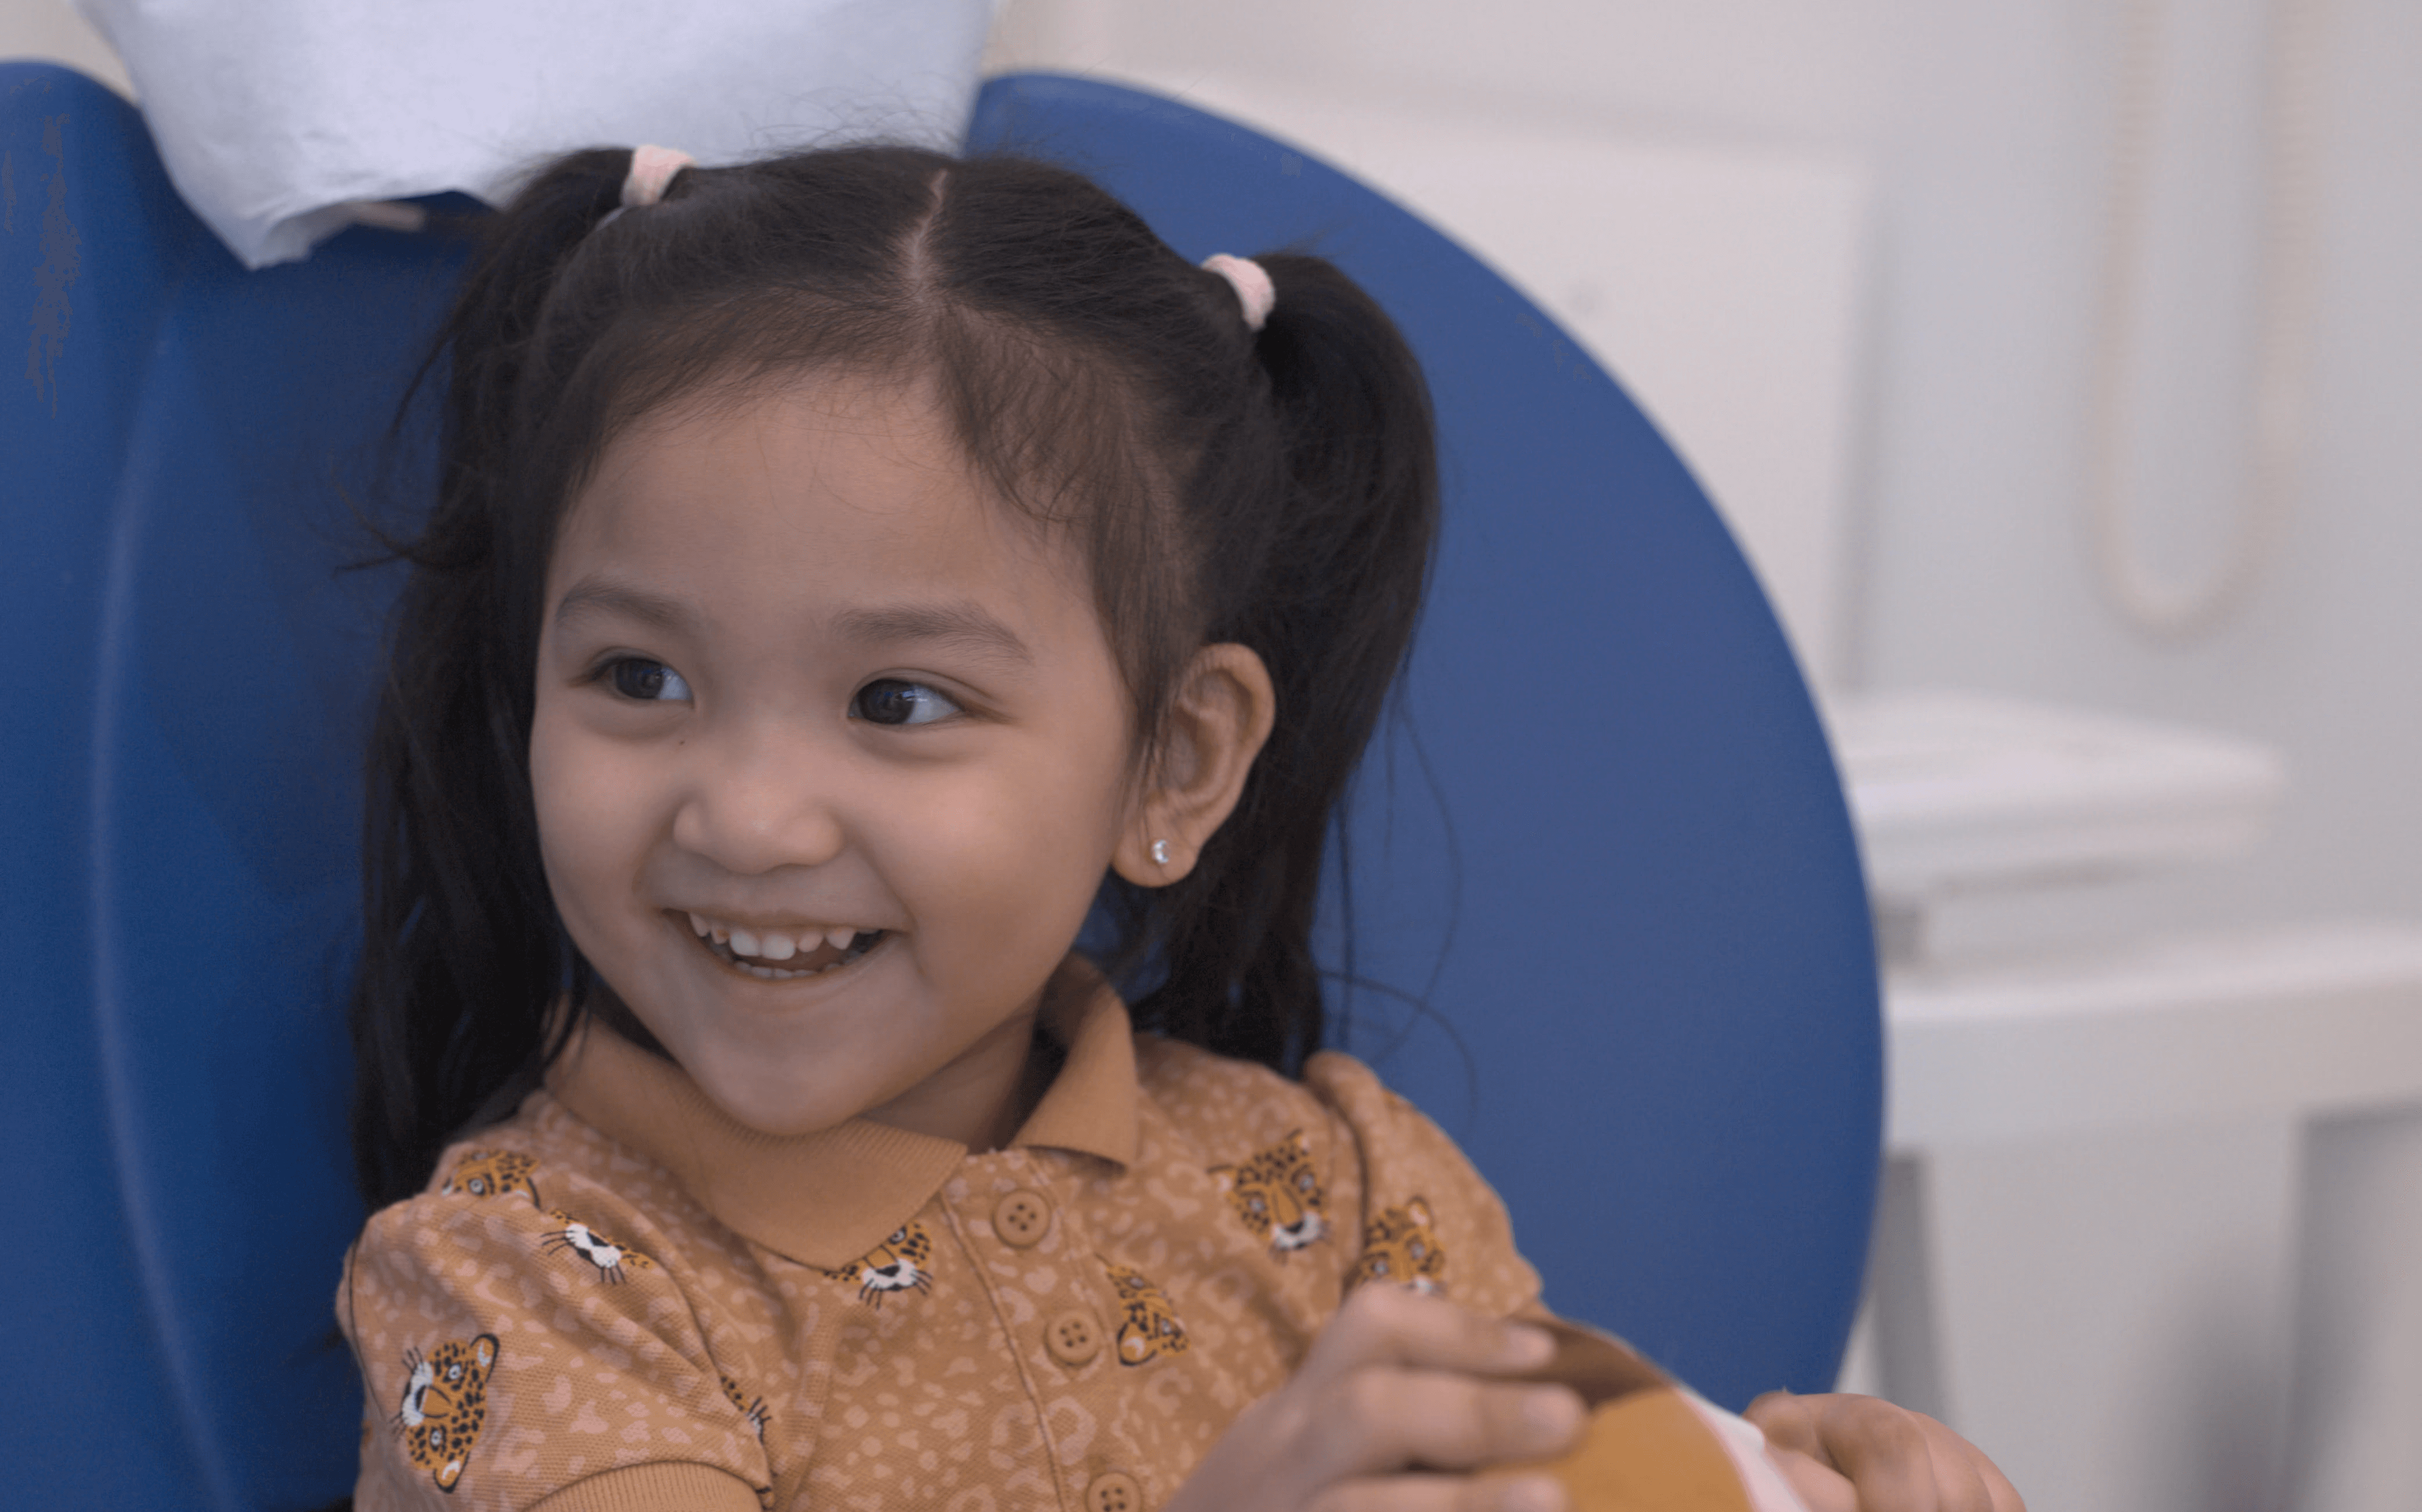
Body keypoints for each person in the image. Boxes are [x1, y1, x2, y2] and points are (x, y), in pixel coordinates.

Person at [337, 141, 2022, 1512]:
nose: (752, 813)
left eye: (899, 703)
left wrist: (1759, 1484)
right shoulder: (528, 1283)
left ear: (1174, 765)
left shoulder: (1342, 1190)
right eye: (638, 675)